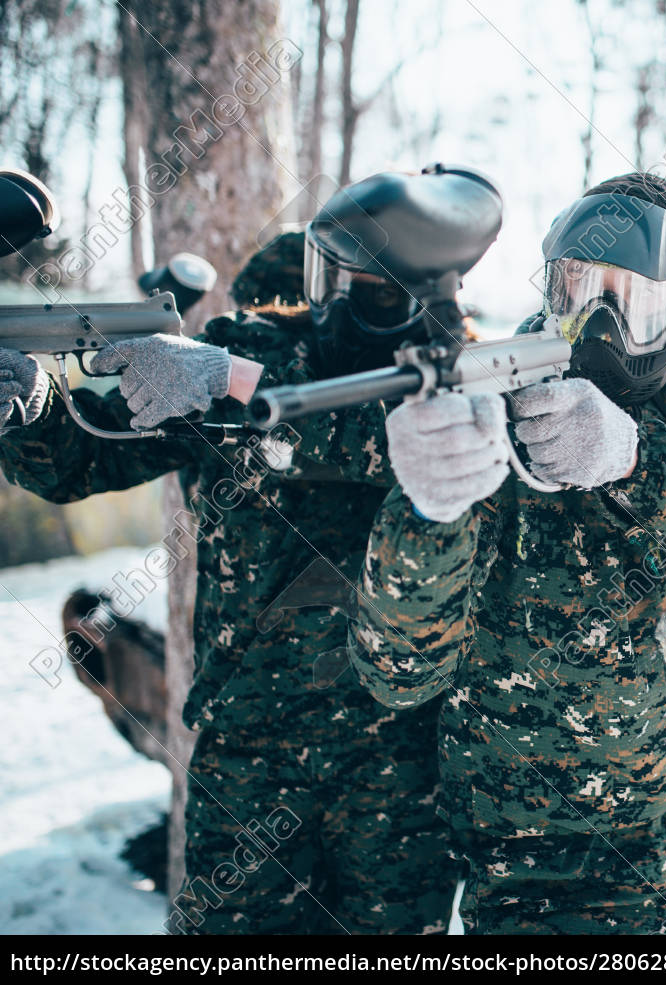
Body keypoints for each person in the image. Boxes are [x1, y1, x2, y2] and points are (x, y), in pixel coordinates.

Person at [0, 166, 499, 933]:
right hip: (253, 755)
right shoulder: (237, 354)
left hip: (405, 762)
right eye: (326, 278)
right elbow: (82, 460)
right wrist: (30, 411)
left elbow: (390, 437)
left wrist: (234, 382)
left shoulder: (456, 374)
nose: (332, 297)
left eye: (359, 282)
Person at [347, 172, 666, 935]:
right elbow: (397, 671)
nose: (601, 322)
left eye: (634, 298)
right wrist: (433, 506)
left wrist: (642, 458)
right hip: (542, 866)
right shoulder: (486, 400)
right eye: (580, 288)